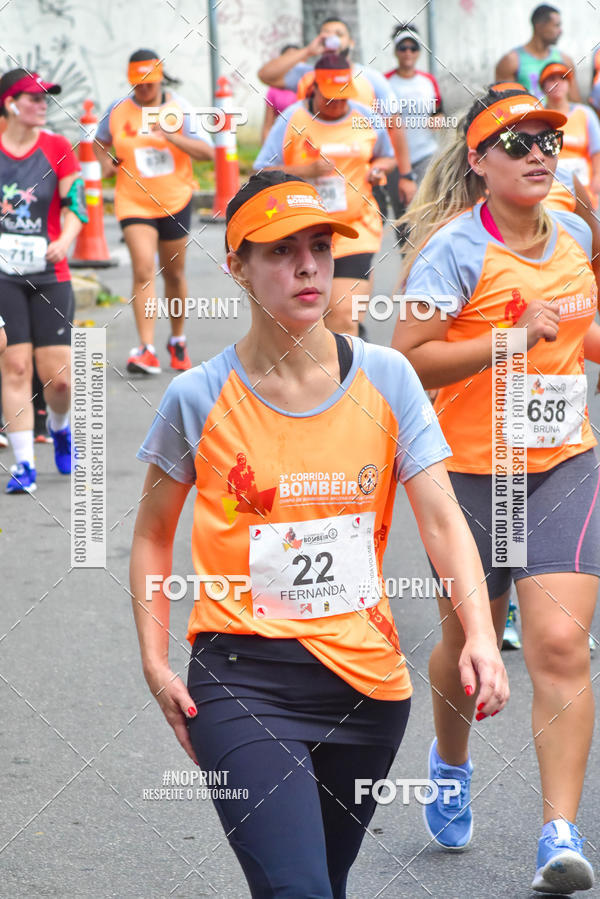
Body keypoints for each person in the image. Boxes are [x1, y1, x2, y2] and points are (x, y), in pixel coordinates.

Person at [130, 170, 509, 899]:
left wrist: (481, 636)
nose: (307, 265)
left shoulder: (388, 379)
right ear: (237, 266)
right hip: (242, 678)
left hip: (366, 688)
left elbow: (442, 520)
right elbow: (152, 535)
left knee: (321, 885)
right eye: (280, 250)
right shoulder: (198, 395)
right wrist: (154, 659)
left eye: (320, 246)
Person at [392, 86, 599, 894]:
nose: (538, 153)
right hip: (473, 473)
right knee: (463, 649)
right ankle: (450, 762)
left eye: (547, 138)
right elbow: (408, 353)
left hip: (563, 464)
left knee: (556, 643)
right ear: (479, 162)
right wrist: (509, 338)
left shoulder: (577, 231)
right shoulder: (452, 249)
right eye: (516, 143)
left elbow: (582, 328)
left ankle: (558, 832)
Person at [253, 53, 396, 335]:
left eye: (343, 96)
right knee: (315, 322)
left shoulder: (364, 116)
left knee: (342, 315)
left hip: (356, 228)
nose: (337, 104)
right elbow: (260, 172)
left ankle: (349, 370)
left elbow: (387, 157)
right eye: (330, 97)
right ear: (314, 87)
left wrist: (378, 169)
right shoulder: (292, 119)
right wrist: (306, 170)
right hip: (303, 232)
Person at [95, 49, 214, 375]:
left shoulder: (180, 108)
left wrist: (173, 137)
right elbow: (99, 140)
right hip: (133, 201)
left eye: (149, 83)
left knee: (173, 274)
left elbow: (207, 152)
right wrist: (105, 162)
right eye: (137, 84)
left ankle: (177, 339)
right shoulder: (118, 109)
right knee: (144, 269)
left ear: (161, 77)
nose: (143, 89)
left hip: (175, 200)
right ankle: (146, 349)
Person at [0, 68, 87, 495]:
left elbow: (77, 202)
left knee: (59, 379)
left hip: (50, 271)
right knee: (15, 366)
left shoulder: (56, 147)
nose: (41, 105)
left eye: (45, 98)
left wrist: (66, 239)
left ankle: (59, 426)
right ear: (10, 104)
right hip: (3, 275)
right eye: (33, 98)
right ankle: (24, 465)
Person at [257, 16, 417, 212]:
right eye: (327, 34)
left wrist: (405, 175)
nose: (333, 38)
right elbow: (265, 75)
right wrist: (308, 50)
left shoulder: (372, 79)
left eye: (339, 34)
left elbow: (395, 127)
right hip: (309, 178)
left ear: (351, 42)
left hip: (360, 176)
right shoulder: (306, 75)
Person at [381, 23, 444, 223]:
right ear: (395, 51)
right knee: (404, 216)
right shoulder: (385, 82)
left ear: (419, 52)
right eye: (403, 48)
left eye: (413, 48)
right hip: (396, 159)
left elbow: (438, 109)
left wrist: (438, 118)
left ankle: (426, 252)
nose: (408, 52)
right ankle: (406, 254)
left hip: (426, 154)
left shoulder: (428, 81)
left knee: (428, 209)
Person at [540, 60, 600, 207]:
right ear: (543, 86)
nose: (557, 83)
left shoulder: (585, 113)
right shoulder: (539, 117)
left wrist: (597, 180)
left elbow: (597, 151)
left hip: (585, 192)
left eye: (562, 78)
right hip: (551, 194)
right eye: (551, 79)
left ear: (569, 84)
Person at [495, 4, 581, 100]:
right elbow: (505, 104)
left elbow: (575, 103)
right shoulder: (511, 61)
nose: (560, 31)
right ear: (539, 26)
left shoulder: (565, 60)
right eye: (556, 25)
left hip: (558, 115)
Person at [262, 45, 299, 142]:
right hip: (282, 141)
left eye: (296, 58)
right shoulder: (274, 90)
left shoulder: (310, 85)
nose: (292, 62)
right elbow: (267, 125)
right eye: (288, 58)